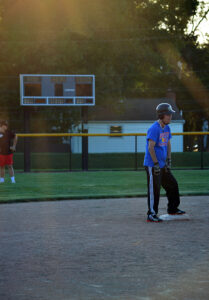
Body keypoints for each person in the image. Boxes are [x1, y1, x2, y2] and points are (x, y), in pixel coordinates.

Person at [144, 103, 185, 222]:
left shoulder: (167, 128)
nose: (170, 116)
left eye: (170, 114)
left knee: (172, 184)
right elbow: (150, 148)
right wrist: (156, 164)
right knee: (154, 190)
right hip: (152, 165)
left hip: (162, 164)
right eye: (168, 114)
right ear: (161, 115)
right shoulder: (154, 128)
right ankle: (151, 214)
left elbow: (168, 143)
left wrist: (168, 159)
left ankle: (173, 208)